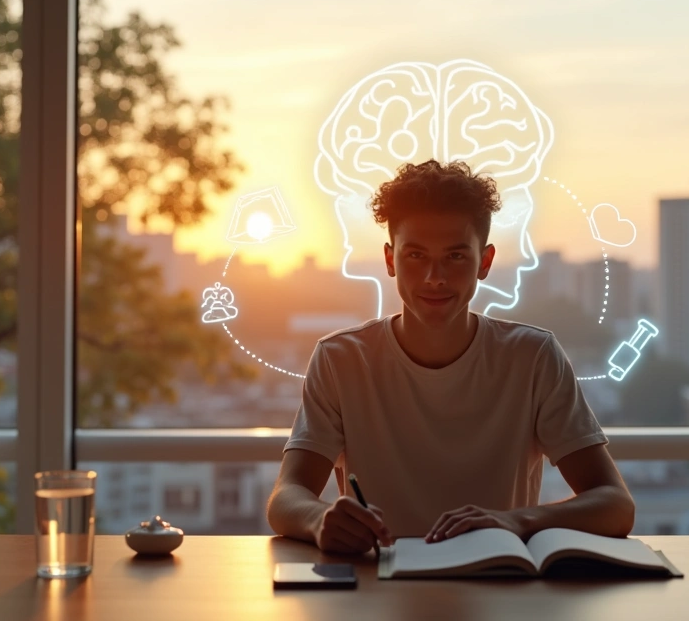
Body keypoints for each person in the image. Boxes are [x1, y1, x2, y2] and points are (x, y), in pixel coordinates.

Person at [266, 160, 635, 554]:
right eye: (416, 256)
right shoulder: (341, 359)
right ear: (391, 260)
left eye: (456, 257)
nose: (434, 277)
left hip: (498, 590)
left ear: (486, 262)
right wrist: (319, 519)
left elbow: (615, 504)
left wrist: (518, 521)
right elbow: (286, 496)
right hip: (378, 591)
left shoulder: (532, 357)